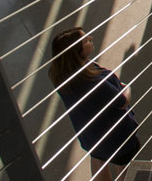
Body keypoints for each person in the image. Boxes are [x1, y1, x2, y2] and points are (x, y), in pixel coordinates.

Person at [49, 27, 140, 181]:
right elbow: (122, 102)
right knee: (124, 168)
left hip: (91, 135)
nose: (90, 38)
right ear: (77, 52)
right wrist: (127, 87)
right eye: (85, 41)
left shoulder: (60, 75)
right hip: (116, 136)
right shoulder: (93, 81)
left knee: (98, 160)